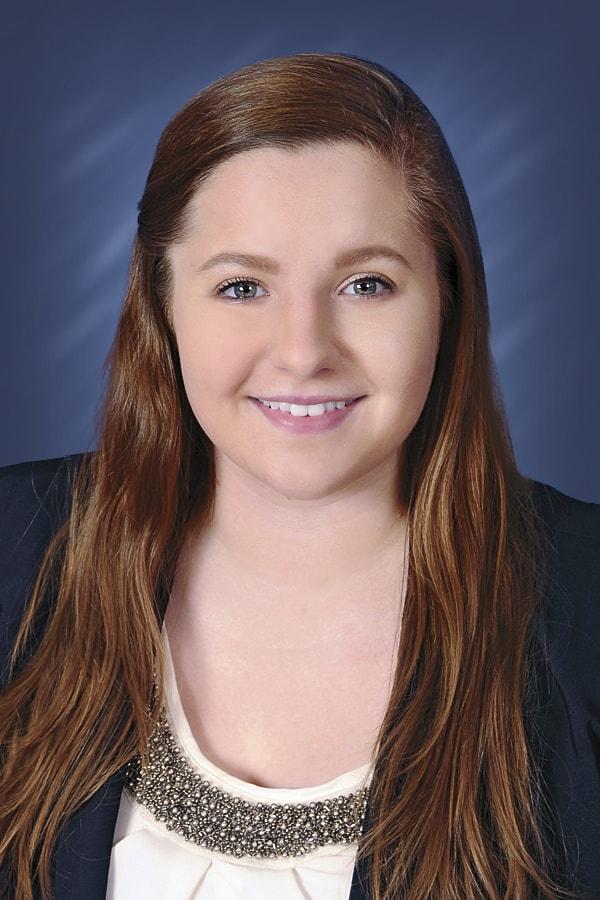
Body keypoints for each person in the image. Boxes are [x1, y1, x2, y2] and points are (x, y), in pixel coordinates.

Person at [0, 51, 598, 900]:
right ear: (162, 308)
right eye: (242, 287)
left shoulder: (587, 600)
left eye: (366, 283)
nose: (304, 351)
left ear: (447, 302)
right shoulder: (12, 551)